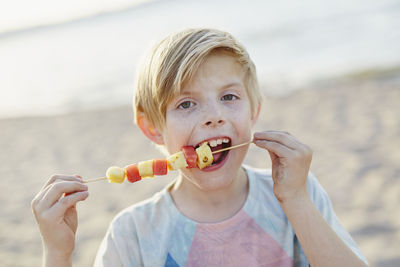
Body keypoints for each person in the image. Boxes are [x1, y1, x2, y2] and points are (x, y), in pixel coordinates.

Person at [31, 28, 368, 266]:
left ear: (254, 111)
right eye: (187, 104)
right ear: (153, 128)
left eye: (229, 97)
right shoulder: (132, 233)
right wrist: (58, 255)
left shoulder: (300, 193)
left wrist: (296, 201)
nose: (213, 117)